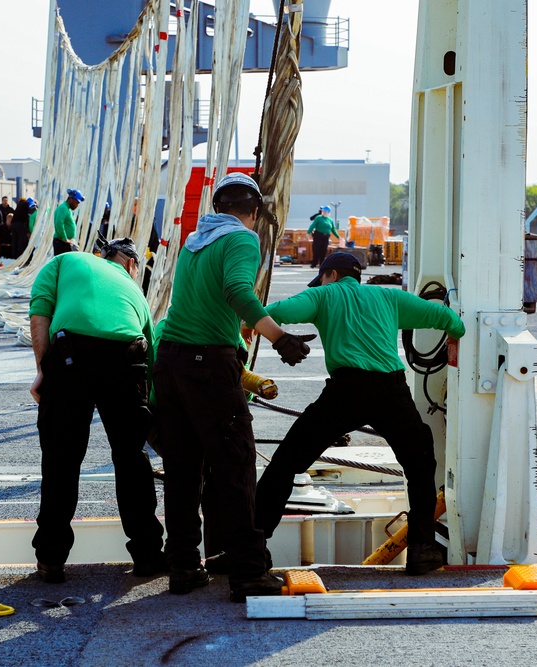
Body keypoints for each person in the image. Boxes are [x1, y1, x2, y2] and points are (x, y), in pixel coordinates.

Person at [153, 172, 315, 603]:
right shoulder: (242, 240)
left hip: (170, 362)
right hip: (209, 364)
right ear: (256, 212)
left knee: (184, 470)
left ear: (217, 206)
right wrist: (279, 337)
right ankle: (247, 572)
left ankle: (184, 566)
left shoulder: (194, 241)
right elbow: (237, 289)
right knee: (236, 466)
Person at [255, 252, 466, 576]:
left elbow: (280, 311)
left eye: (323, 277)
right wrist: (455, 331)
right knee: (420, 465)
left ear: (332, 275)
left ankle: (253, 549)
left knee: (287, 462)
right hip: (391, 392)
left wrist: (249, 323)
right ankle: (422, 549)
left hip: (346, 391)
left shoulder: (324, 295)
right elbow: (442, 316)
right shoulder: (389, 297)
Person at [28, 237, 165, 583]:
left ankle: (51, 559)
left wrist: (44, 368)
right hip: (127, 355)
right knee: (131, 457)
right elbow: (151, 358)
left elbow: (40, 311)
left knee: (61, 459)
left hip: (70, 353)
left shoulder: (66, 261)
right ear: (131, 265)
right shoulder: (136, 294)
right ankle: (148, 555)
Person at [307, 204, 341, 268]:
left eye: (326, 212)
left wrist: (338, 237)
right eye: (323, 211)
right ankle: (314, 263)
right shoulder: (318, 218)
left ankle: (322, 263)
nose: (324, 213)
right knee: (316, 249)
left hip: (326, 237)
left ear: (328, 213)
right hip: (318, 235)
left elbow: (333, 229)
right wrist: (308, 232)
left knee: (324, 250)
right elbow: (313, 225)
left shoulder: (330, 220)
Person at [52, 188, 83, 255]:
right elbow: (59, 224)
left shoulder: (67, 208)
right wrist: (65, 238)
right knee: (63, 264)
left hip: (65, 242)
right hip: (61, 243)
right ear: (71, 199)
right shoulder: (63, 208)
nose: (77, 205)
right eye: (76, 202)